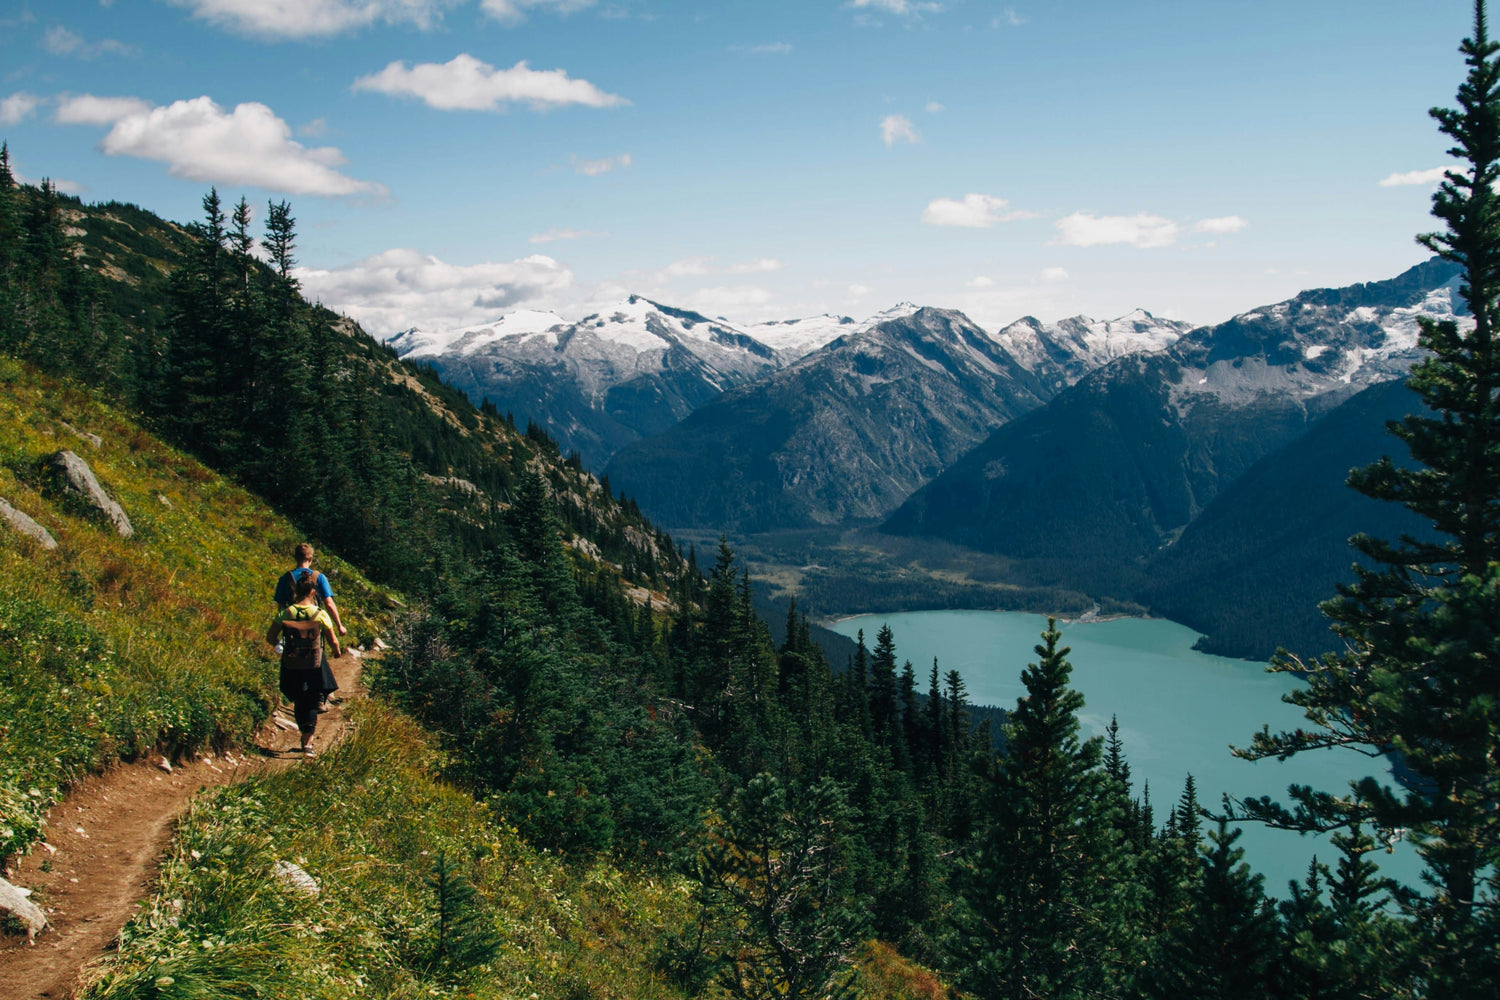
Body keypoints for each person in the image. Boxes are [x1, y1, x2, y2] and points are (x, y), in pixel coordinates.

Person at [267, 572, 342, 757]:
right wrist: (336, 651)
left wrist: (280, 646)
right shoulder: (319, 614)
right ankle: (307, 743)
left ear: (296, 591)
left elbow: (270, 637)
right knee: (312, 698)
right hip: (314, 663)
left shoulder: (286, 613)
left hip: (291, 662)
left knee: (300, 698)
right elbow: (333, 640)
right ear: (312, 592)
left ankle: (304, 733)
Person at [274, 542, 346, 711]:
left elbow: (280, 606)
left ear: (295, 557)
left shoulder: (285, 579)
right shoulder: (318, 577)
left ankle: (297, 697)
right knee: (316, 655)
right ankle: (319, 696)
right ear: (311, 559)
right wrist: (339, 625)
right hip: (313, 623)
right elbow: (329, 603)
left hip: (292, 625)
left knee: (293, 659)